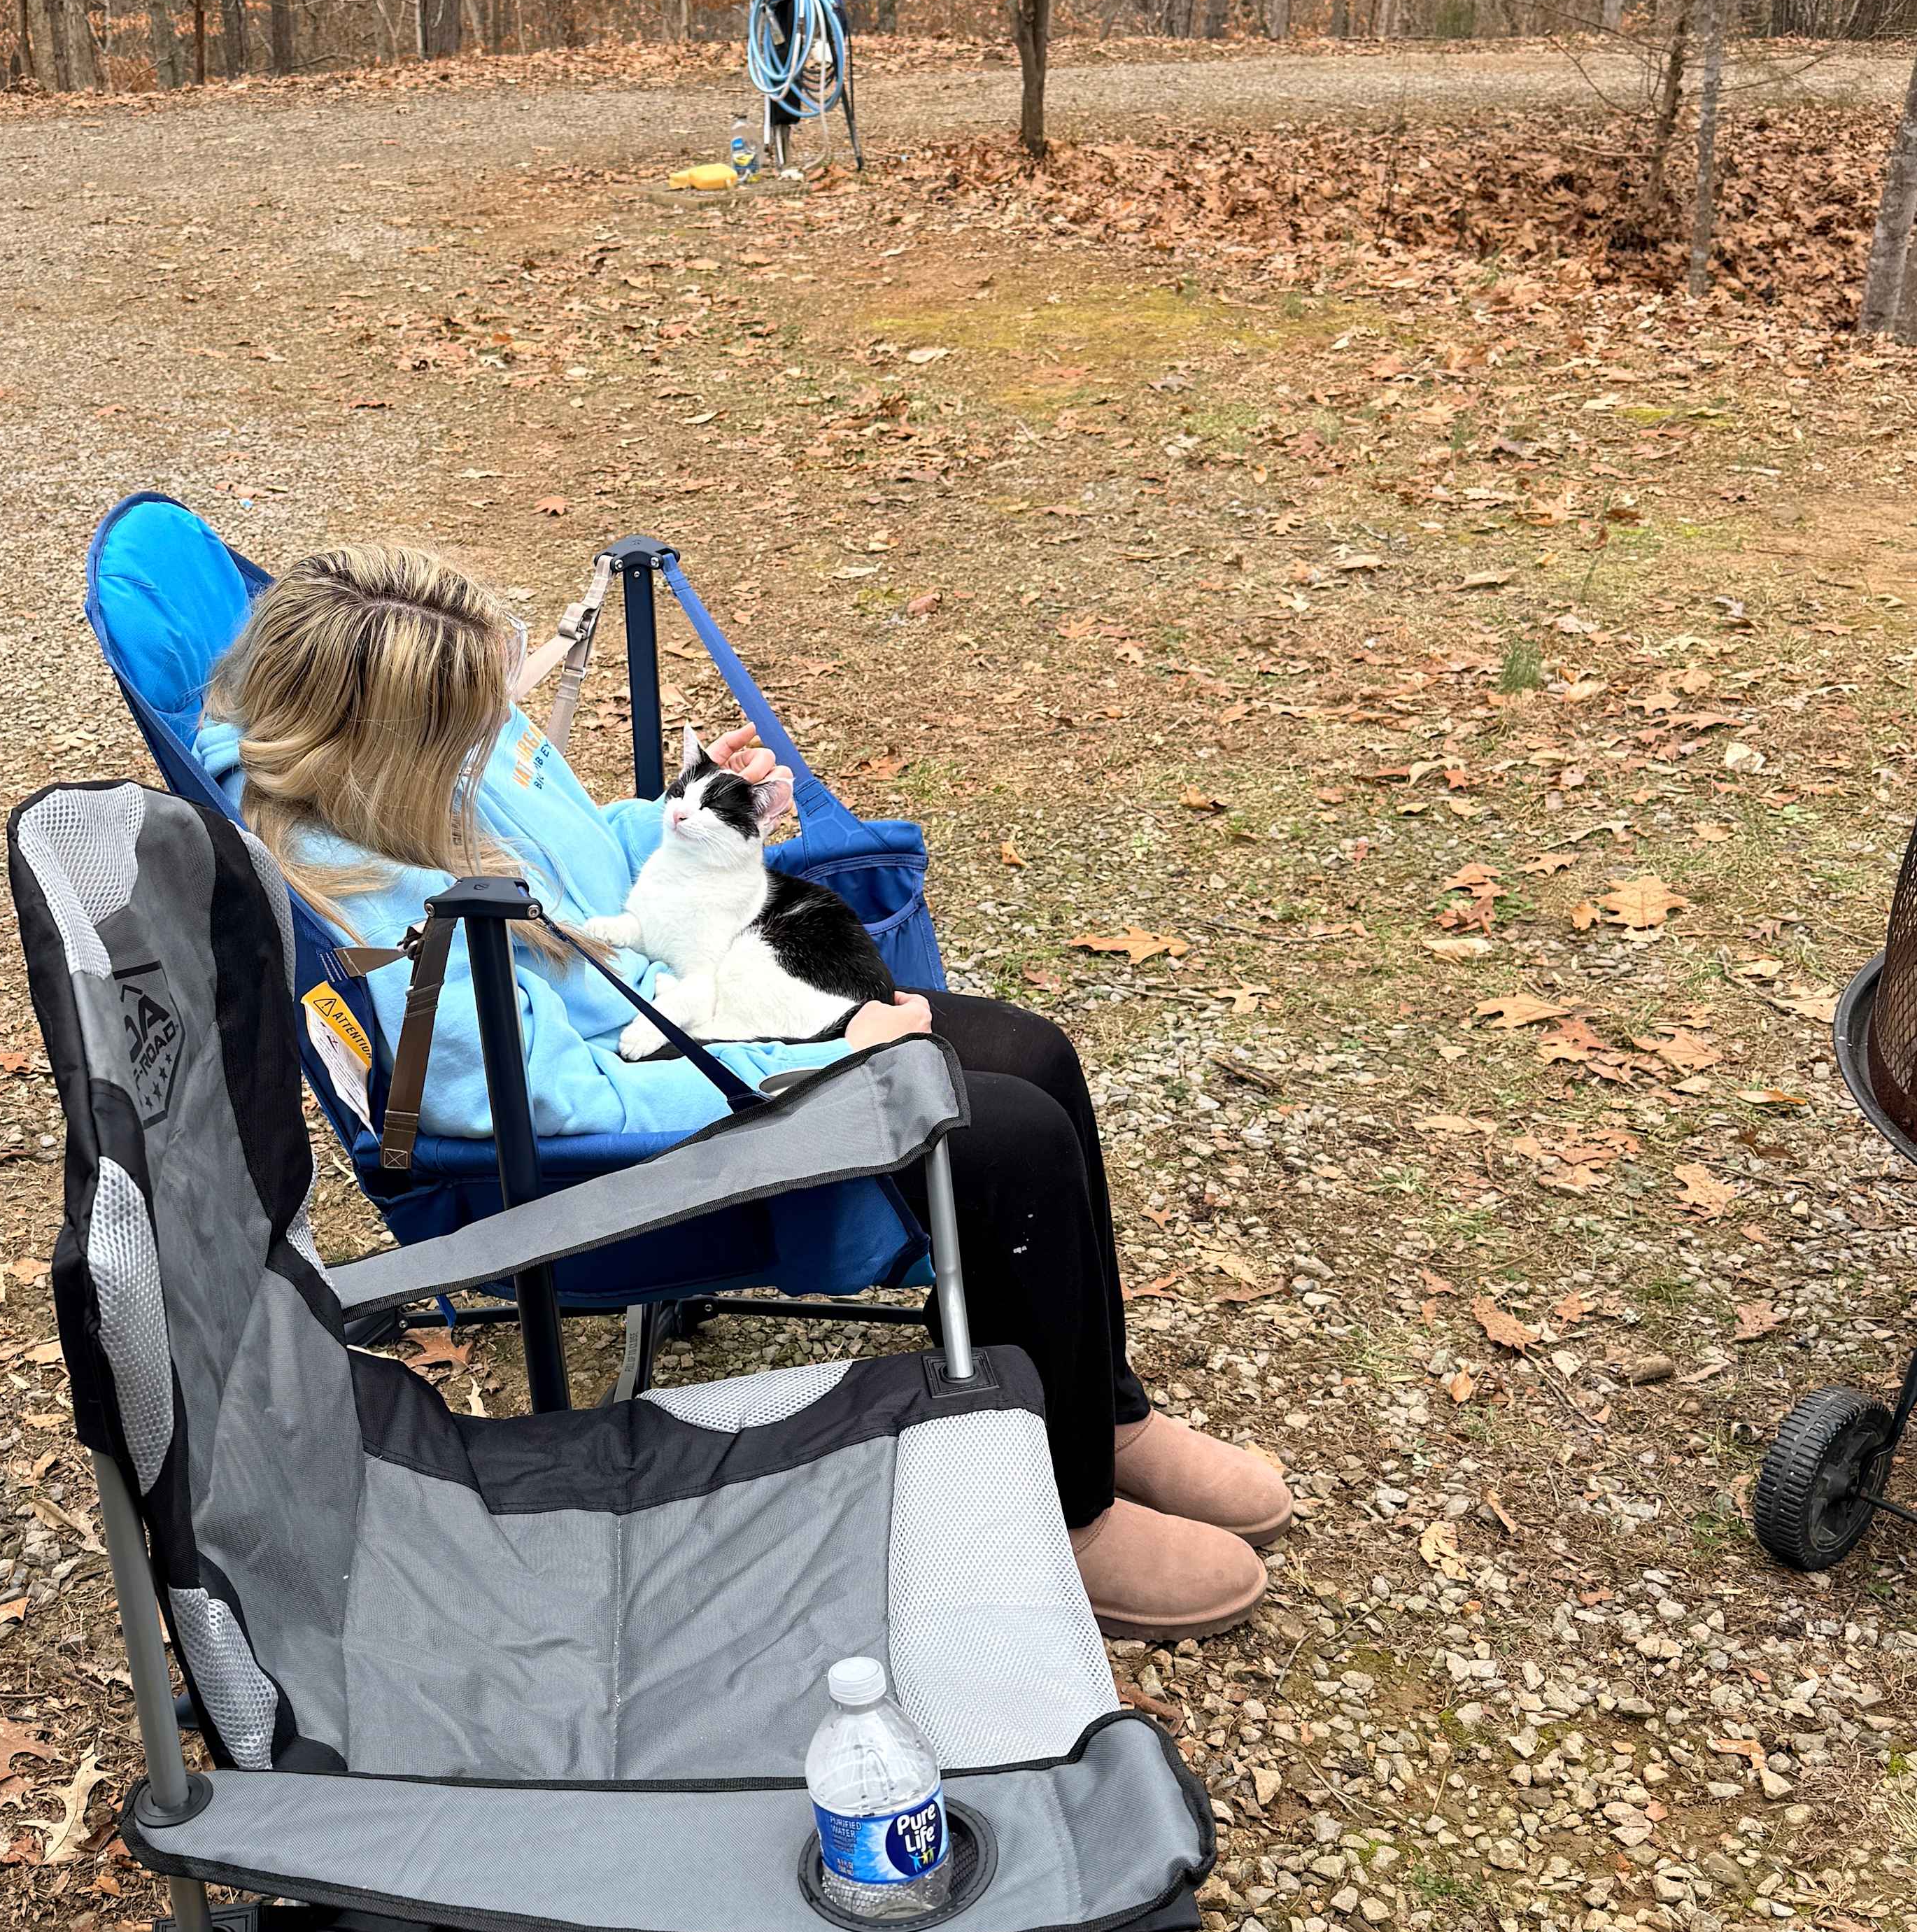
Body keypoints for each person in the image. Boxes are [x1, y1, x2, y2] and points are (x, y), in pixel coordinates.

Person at [204, 545, 1287, 1642]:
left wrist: (692, 816)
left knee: (1031, 1051)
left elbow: (575, 865)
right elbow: (544, 1106)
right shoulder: (374, 911)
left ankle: (1101, 1414)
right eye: (476, 729)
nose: (501, 735)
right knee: (999, 1133)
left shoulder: (413, 762)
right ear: (399, 746)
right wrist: (819, 1054)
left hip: (678, 1008)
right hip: (623, 1138)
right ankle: (1068, 1513)